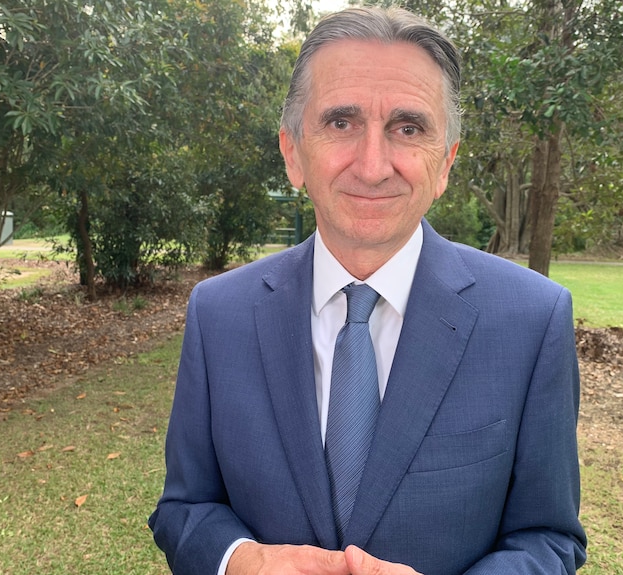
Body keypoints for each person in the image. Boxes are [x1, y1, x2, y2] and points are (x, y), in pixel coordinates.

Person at [149, 6, 586, 575]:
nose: (374, 165)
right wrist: (242, 562)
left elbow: (549, 537)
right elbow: (184, 508)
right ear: (292, 153)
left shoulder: (532, 318)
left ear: (446, 163)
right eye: (340, 123)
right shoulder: (218, 313)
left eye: (408, 128)